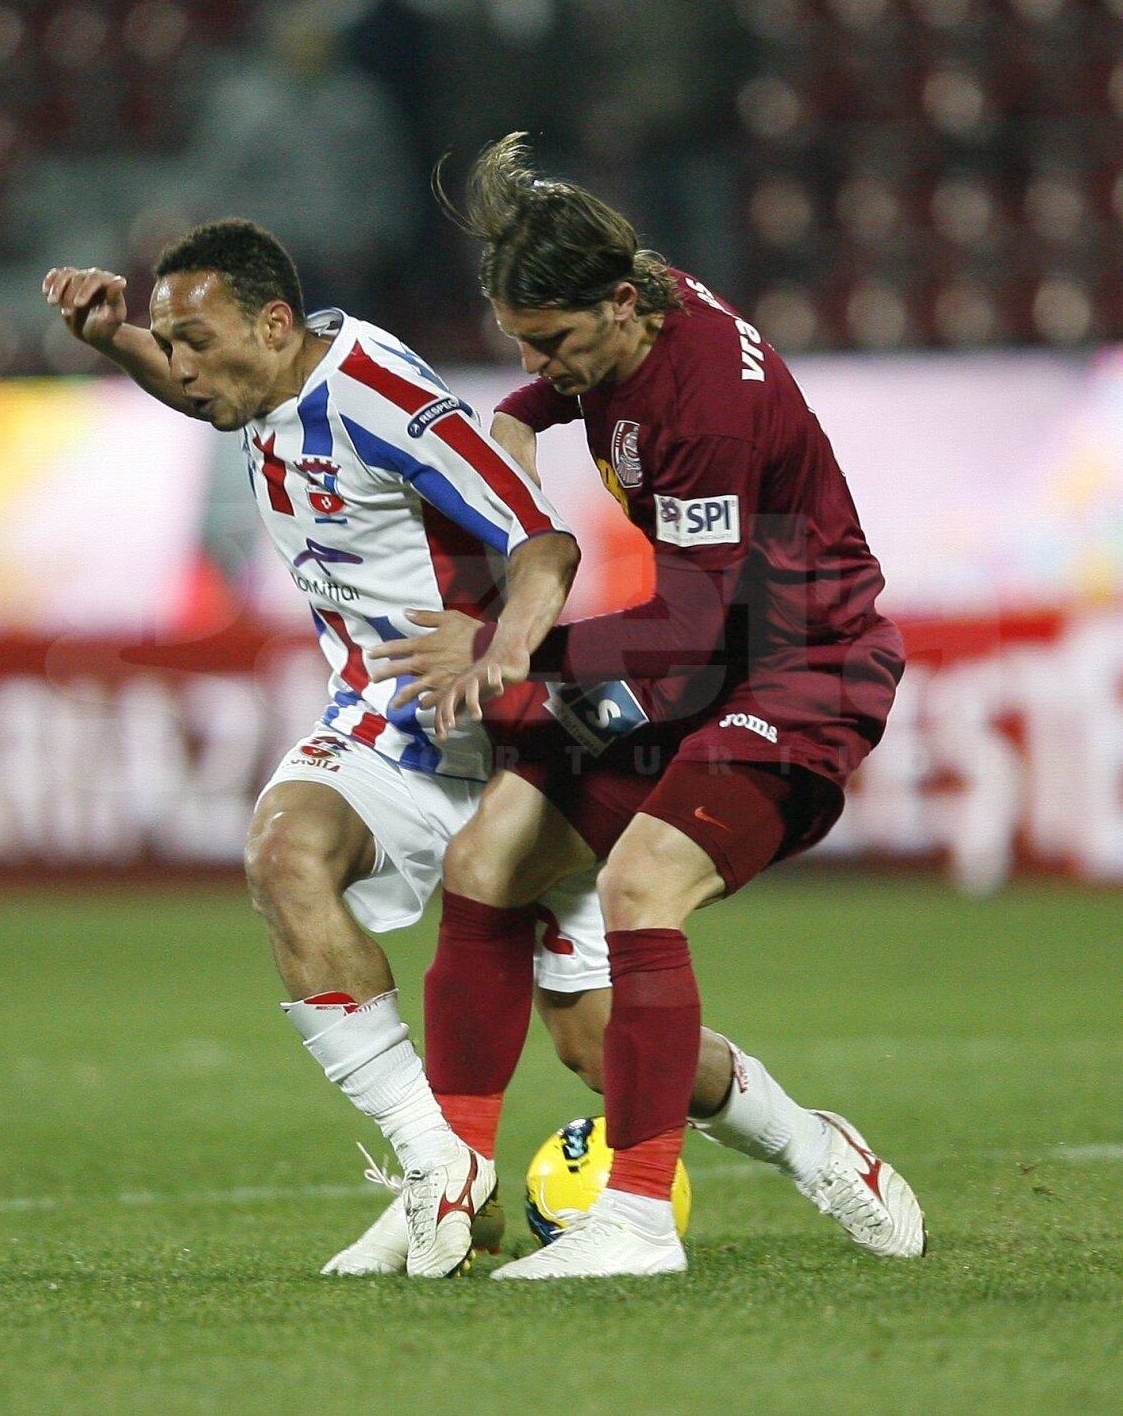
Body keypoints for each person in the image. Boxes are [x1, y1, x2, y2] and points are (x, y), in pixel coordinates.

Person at [375, 134, 928, 1279]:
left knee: (641, 884)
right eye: (524, 346)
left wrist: (504, 650)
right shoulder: (640, 313)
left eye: (555, 345)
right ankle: (451, 1186)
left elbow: (689, 626)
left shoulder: (707, 407)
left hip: (800, 663)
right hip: (715, 662)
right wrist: (524, 406)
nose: (545, 366)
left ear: (621, 307)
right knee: (485, 862)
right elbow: (686, 639)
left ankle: (632, 1223)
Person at [41, 217, 594, 1279]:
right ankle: (439, 1165)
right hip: (382, 729)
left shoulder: (380, 394)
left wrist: (505, 649)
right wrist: (114, 341)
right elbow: (200, 388)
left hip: (512, 740)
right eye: (173, 345)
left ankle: (815, 1150)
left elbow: (541, 536)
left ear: (276, 321)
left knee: (599, 1044)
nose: (185, 370)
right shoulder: (259, 376)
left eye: (194, 342)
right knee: (286, 850)